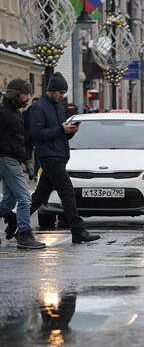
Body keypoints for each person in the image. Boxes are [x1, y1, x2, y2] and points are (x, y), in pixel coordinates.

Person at [29, 72, 100, 244]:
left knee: (40, 195)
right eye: (60, 93)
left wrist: (70, 132)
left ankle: (15, 221)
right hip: (49, 156)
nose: (62, 96)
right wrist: (61, 130)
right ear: (51, 91)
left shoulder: (59, 107)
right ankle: (78, 230)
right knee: (67, 192)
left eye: (64, 93)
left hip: (59, 155)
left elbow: (60, 132)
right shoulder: (39, 108)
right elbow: (37, 134)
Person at [0, 79, 46, 248]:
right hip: (6, 159)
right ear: (15, 94)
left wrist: (27, 160)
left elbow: (21, 140)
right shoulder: (3, 112)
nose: (27, 97)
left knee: (9, 202)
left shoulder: (16, 112)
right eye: (25, 94)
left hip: (13, 159)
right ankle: (24, 234)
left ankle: (11, 218)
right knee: (25, 198)